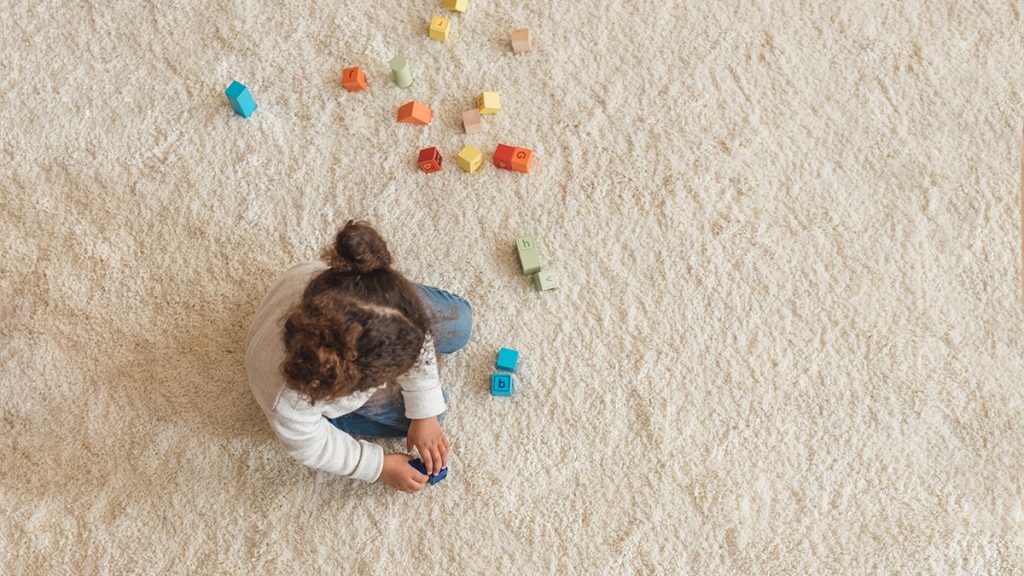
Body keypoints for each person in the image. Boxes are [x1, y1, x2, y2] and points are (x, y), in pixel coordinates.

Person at [245, 220, 472, 493]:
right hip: (319, 376)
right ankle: (348, 414)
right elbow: (312, 444)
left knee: (460, 322)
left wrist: (425, 413)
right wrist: (379, 466)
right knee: (432, 408)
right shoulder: (291, 402)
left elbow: (414, 329)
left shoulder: (366, 297)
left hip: (355, 299)